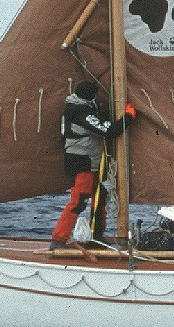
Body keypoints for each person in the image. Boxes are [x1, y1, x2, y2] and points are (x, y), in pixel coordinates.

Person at [51, 80, 135, 247]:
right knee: (79, 200)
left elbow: (101, 122)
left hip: (92, 161)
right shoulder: (80, 112)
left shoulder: (80, 107)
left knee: (100, 197)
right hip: (82, 162)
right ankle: (58, 239)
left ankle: (96, 237)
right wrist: (128, 116)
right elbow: (110, 131)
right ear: (90, 96)